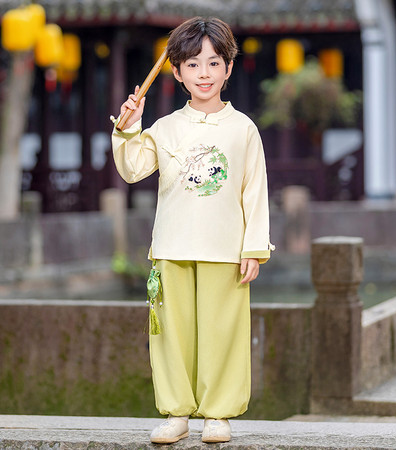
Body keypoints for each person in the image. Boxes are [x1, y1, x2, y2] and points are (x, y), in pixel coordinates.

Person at [111, 16, 274, 445]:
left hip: (226, 250)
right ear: (177, 71)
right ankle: (177, 413)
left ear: (229, 68)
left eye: (214, 63)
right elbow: (132, 169)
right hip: (172, 246)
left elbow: (254, 190)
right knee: (171, 334)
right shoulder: (165, 128)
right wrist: (129, 126)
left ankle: (217, 414)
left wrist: (253, 248)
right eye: (193, 64)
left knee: (223, 332)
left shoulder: (243, 129)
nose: (205, 73)